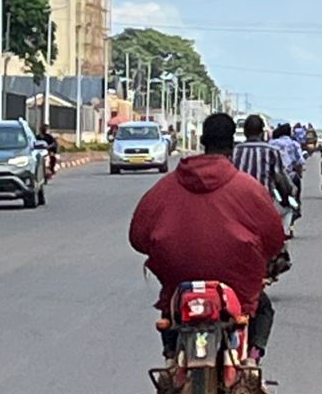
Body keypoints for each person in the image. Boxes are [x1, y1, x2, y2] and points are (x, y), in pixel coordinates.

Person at [129, 113, 286, 378]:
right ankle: (251, 360)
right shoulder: (248, 188)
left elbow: (138, 237)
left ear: (202, 141)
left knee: (171, 309)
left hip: (179, 280)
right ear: (232, 146)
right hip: (236, 285)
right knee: (263, 307)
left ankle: (170, 357)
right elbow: (274, 238)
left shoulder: (165, 187)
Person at [232, 114, 295, 234]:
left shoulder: (235, 151)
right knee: (288, 211)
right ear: (262, 133)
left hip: (237, 204)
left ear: (245, 132)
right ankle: (281, 247)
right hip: (263, 203)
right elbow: (279, 179)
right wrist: (286, 199)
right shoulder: (271, 151)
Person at [270, 123, 305, 229]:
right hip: (289, 174)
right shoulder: (294, 144)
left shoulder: (271, 143)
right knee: (297, 182)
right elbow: (299, 161)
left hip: (273, 177)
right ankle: (297, 207)